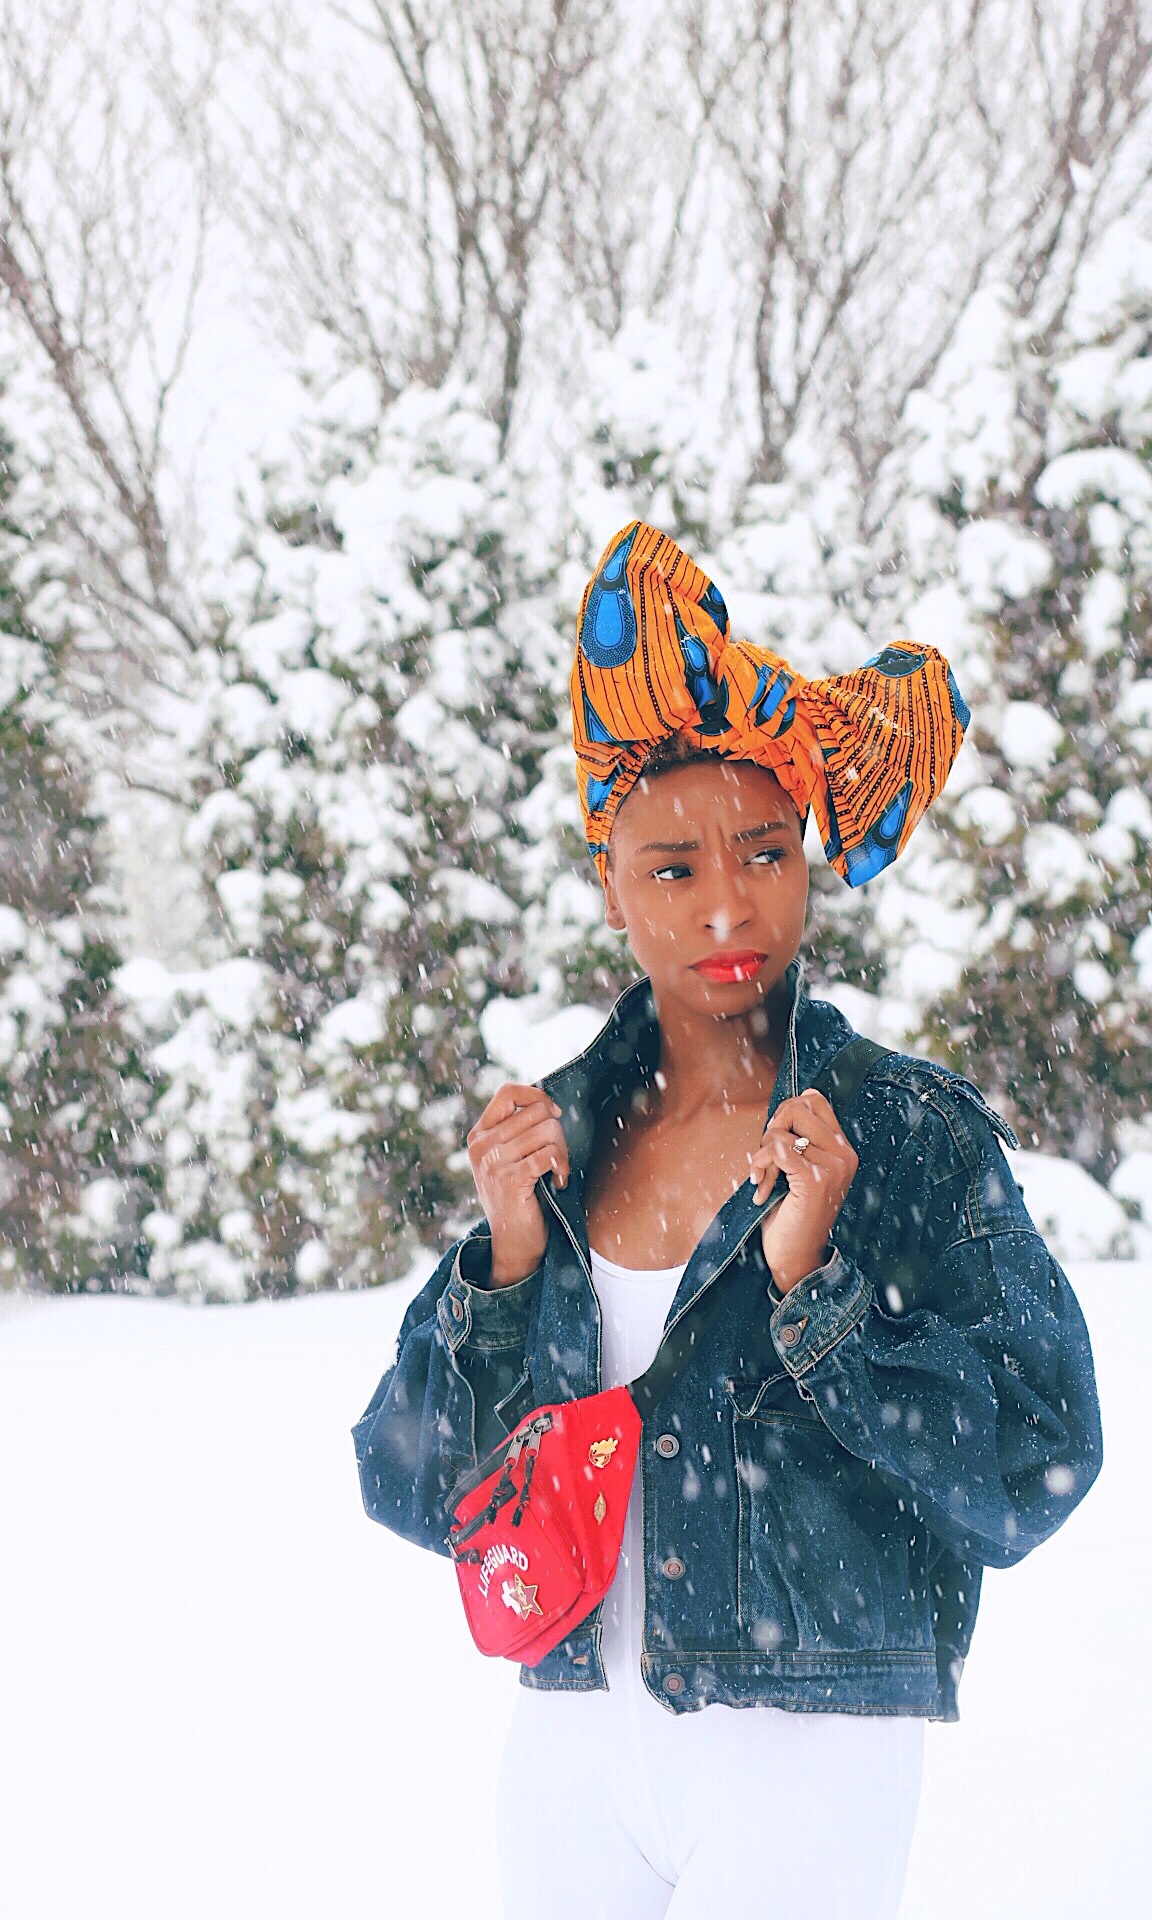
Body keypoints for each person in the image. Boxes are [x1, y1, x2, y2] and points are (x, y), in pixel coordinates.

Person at [352, 521, 1104, 1920]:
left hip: (807, 1748)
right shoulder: (557, 1143)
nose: (724, 909)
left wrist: (822, 1294)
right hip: (569, 1744)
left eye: (762, 853)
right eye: (672, 868)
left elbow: (1037, 1458)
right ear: (608, 883)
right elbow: (409, 1485)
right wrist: (506, 1270)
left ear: (808, 857)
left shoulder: (906, 1135)